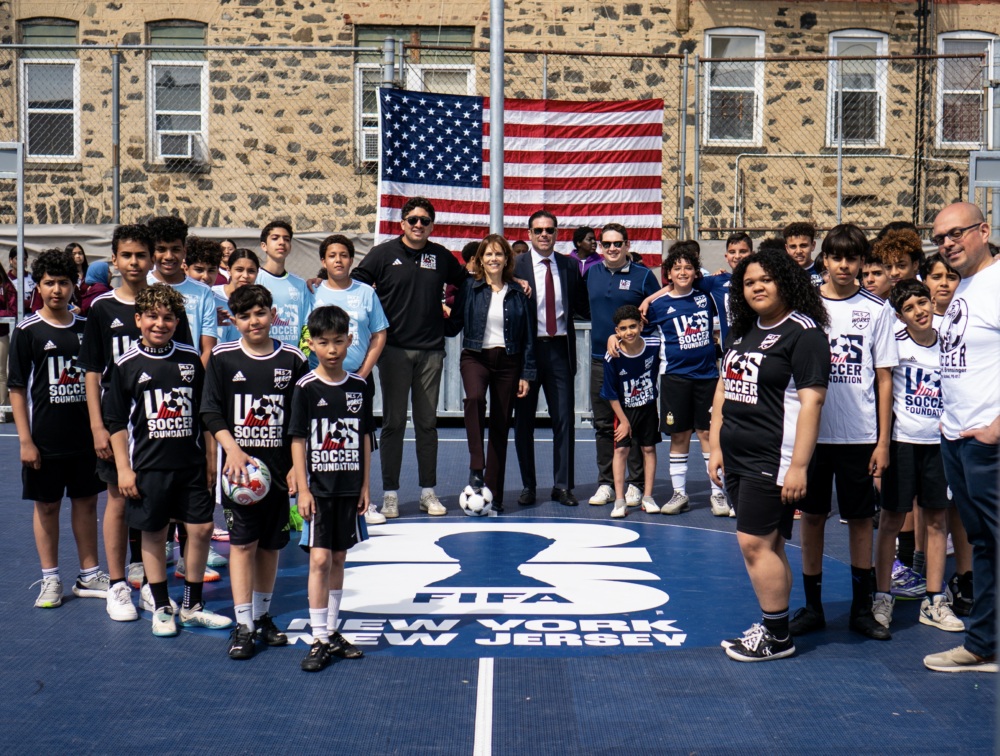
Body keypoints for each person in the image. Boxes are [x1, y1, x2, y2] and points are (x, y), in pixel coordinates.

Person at [708, 248, 830, 661]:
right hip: (739, 454)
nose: (757, 287)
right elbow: (724, 388)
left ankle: (778, 638)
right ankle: (774, 624)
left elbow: (812, 403)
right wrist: (715, 445)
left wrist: (798, 466)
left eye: (765, 279)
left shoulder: (804, 333)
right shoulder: (744, 331)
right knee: (769, 544)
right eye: (748, 282)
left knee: (754, 545)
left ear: (785, 282)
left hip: (773, 457)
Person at [104, 284, 232, 637]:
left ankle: (191, 606)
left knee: (202, 528)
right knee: (155, 533)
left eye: (168, 317)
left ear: (178, 321)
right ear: (138, 319)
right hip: (147, 467)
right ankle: (162, 606)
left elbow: (206, 411)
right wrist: (124, 469)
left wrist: (210, 458)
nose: (160, 324)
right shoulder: (126, 364)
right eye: (152, 317)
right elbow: (115, 421)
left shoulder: (190, 359)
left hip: (189, 464)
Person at [79, 225, 193, 620]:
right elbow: (93, 371)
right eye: (126, 256)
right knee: (116, 499)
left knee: (156, 505)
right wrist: (97, 426)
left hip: (161, 426)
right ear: (114, 259)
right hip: (119, 423)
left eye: (140, 256)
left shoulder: (166, 305)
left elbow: (185, 363)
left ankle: (149, 581)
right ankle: (116, 585)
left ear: (152, 259)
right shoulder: (102, 309)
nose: (133, 263)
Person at [791, 223, 897, 641]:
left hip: (858, 435)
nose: (845, 265)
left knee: (858, 521)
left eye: (853, 258)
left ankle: (861, 608)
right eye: (837, 257)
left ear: (861, 262)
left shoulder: (877, 310)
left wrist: (883, 441)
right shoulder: (806, 308)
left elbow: (884, 378)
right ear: (826, 259)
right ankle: (813, 607)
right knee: (812, 518)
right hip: (811, 435)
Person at [201, 284, 308, 660]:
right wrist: (231, 449)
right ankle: (243, 623)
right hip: (240, 476)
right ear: (233, 319)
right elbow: (210, 410)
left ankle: (263, 616)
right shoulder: (223, 358)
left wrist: (297, 467)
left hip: (278, 474)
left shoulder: (292, 359)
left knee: (270, 546)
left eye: (259, 313)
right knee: (242, 545)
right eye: (244, 316)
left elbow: (302, 418)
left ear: (273, 314)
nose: (253, 322)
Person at [351, 197, 467, 517]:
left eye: (425, 221)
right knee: (393, 423)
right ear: (402, 223)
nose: (419, 225)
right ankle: (390, 494)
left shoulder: (440, 256)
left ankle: (427, 492)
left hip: (431, 351)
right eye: (413, 220)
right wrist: (372, 323)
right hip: (393, 351)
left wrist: (453, 322)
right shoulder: (384, 254)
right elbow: (357, 283)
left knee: (428, 423)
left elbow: (467, 283)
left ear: (432, 225)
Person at [924, 202, 1000, 673]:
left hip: (986, 442)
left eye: (956, 233)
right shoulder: (966, 288)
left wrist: (996, 428)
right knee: (985, 543)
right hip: (957, 437)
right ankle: (983, 642)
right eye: (938, 238)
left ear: (984, 230)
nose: (947, 243)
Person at [9, 249, 107, 610]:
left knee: (86, 503)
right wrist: (25, 440)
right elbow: (17, 388)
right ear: (38, 285)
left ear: (74, 285)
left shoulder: (86, 329)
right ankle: (50, 577)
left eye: (63, 282)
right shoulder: (27, 331)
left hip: (84, 438)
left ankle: (90, 573)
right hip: (45, 441)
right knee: (47, 507)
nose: (56, 289)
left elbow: (99, 381)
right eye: (49, 282)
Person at [872, 279, 964, 635]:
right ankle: (882, 595)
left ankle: (934, 599)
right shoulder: (893, 344)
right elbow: (882, 392)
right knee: (892, 519)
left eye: (922, 303)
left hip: (940, 443)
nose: (919, 311)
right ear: (900, 316)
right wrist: (880, 444)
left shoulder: (950, 339)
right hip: (901, 442)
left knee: (937, 519)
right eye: (909, 308)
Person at [290, 305, 371, 671]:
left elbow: (366, 438)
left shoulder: (359, 387)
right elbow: (297, 439)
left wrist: (366, 485)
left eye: (339, 341)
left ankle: (332, 630)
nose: (332, 350)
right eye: (324, 343)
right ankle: (318, 636)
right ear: (311, 344)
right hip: (319, 489)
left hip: (349, 487)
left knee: (339, 557)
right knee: (319, 558)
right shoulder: (305, 387)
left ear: (350, 341)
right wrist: (303, 488)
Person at [450, 235, 536, 512]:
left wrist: (526, 373)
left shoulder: (518, 292)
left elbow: (528, 337)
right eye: (488, 255)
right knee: (474, 399)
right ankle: (477, 466)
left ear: (507, 259)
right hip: (476, 357)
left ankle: (494, 494)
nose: (493, 259)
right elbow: (453, 325)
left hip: (509, 361)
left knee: (500, 426)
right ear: (480, 260)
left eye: (499, 254)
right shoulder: (469, 288)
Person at [641, 242, 727, 516]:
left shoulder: (706, 295)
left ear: (696, 271)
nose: (682, 272)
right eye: (676, 268)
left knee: (707, 433)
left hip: (707, 377)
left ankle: (718, 493)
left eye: (688, 267)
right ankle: (680, 493)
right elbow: (635, 327)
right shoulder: (657, 305)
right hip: (675, 378)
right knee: (679, 435)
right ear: (668, 273)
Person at [309, 234, 389, 523]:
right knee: (321, 441)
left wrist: (363, 373)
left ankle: (363, 499)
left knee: (360, 437)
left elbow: (380, 333)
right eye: (332, 255)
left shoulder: (366, 292)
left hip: (357, 378)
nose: (338, 260)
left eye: (344, 255)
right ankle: (313, 497)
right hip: (321, 381)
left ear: (351, 260)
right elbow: (306, 334)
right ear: (323, 261)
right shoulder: (314, 292)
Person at [514, 210, 590, 507]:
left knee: (564, 420)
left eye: (549, 230)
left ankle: (562, 486)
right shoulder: (515, 266)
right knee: (523, 422)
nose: (544, 235)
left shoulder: (569, 266)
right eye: (538, 230)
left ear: (557, 233)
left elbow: (584, 305)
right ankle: (528, 486)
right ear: (529, 234)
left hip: (559, 349)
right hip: (526, 353)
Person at [585, 223, 661, 510]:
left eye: (618, 243)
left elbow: (654, 315)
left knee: (636, 426)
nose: (612, 248)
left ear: (627, 245)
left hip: (633, 364)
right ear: (599, 247)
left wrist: (622, 338)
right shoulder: (592, 272)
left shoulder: (643, 277)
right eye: (607, 244)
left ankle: (636, 484)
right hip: (599, 360)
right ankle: (606, 482)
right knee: (605, 424)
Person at [600, 305, 662, 519]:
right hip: (624, 411)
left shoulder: (655, 345)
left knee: (649, 449)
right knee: (621, 451)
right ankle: (619, 500)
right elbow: (610, 393)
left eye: (633, 326)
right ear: (617, 331)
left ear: (641, 325)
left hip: (648, 408)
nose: (629, 332)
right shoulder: (612, 356)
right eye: (623, 329)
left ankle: (648, 497)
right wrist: (624, 422)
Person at [146, 217, 217, 365]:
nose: (169, 256)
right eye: (161, 249)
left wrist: (196, 381)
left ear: (184, 251)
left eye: (175, 249)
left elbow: (208, 348)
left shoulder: (202, 292)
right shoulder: (143, 285)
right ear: (152, 251)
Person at [256, 220, 313, 350]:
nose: (282, 242)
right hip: (261, 355)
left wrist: (303, 357)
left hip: (291, 358)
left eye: (286, 239)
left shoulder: (300, 284)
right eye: (275, 238)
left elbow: (306, 325)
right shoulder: (255, 279)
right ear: (264, 246)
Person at [698, 232, 753, 348]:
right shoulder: (717, 281)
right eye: (732, 252)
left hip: (757, 348)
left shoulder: (764, 281)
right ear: (726, 256)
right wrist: (648, 301)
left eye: (743, 251)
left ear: (752, 254)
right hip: (729, 351)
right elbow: (680, 284)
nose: (737, 256)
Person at [212, 248, 260, 344]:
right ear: (229, 270)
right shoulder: (212, 295)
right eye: (239, 270)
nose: (245, 275)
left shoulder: (259, 301)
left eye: (251, 271)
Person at [0, 262, 18, 419]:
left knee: (1, 373)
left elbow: (12, 310)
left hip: (1, 334)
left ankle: (0, 410)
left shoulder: (6, 286)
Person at [783, 222, 823, 287]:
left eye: (803, 245)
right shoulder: (782, 274)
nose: (798, 251)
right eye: (793, 246)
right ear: (787, 248)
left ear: (813, 245)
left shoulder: (822, 271)